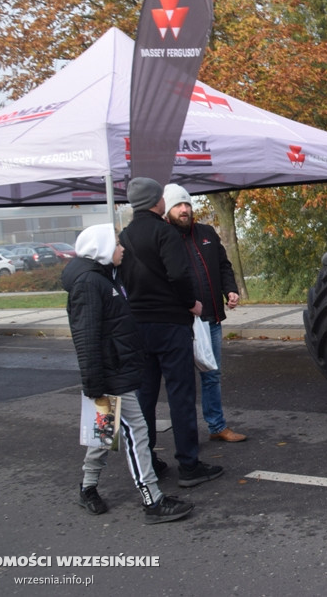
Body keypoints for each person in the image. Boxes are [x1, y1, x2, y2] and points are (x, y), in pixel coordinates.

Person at [62, 223, 193, 524]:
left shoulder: (102, 278)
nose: (122, 249)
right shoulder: (89, 283)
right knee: (137, 432)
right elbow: (87, 337)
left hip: (113, 372)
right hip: (108, 376)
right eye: (118, 244)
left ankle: (87, 488)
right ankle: (152, 499)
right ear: (103, 248)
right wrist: (95, 384)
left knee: (103, 436)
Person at [117, 177, 223, 488]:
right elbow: (178, 273)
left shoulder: (125, 234)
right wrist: (191, 302)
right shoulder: (164, 232)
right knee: (180, 394)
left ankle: (148, 459)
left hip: (138, 325)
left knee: (145, 395)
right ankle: (189, 465)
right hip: (170, 323)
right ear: (156, 201)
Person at [162, 183, 247, 443]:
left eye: (187, 204)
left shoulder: (206, 232)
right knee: (184, 380)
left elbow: (223, 265)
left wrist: (230, 290)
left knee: (212, 375)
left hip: (211, 319)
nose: (184, 209)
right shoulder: (164, 237)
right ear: (167, 210)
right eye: (178, 205)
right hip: (181, 323)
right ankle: (186, 436)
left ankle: (216, 426)